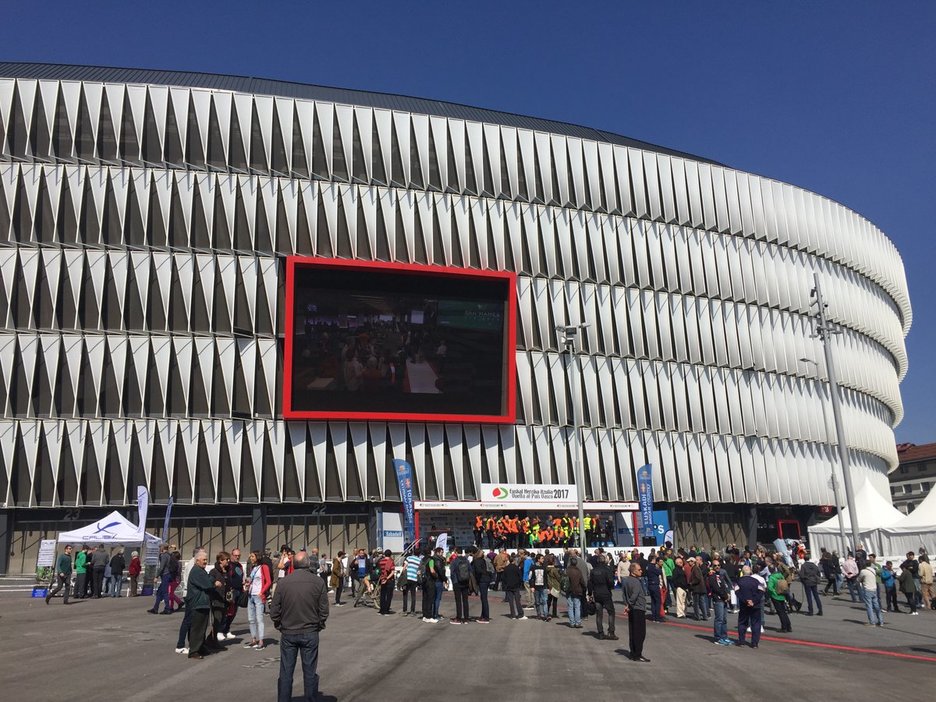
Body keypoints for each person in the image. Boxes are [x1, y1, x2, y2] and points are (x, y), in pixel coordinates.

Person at [270, 552, 328, 702]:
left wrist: (280, 624)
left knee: (286, 672)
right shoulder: (318, 582)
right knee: (310, 672)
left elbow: (274, 610)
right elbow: (324, 610)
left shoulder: (283, 583)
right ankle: (310, 698)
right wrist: (319, 624)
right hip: (309, 631)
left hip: (289, 631)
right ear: (308, 564)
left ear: (293, 564)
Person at [184, 549, 214, 659]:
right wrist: (212, 579)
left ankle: (200, 647)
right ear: (197, 561)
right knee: (197, 628)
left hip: (202, 603)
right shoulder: (197, 571)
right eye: (203, 560)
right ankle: (194, 650)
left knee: (202, 627)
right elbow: (208, 584)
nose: (205, 562)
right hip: (198, 603)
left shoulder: (201, 571)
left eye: (206, 560)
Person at [244, 550, 272, 650]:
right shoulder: (253, 568)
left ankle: (261, 641)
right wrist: (248, 584)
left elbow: (268, 581)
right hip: (251, 595)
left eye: (252, 556)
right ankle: (253, 639)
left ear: (257, 557)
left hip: (258, 595)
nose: (250, 558)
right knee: (251, 619)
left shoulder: (264, 567)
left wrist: (262, 592)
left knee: (259, 619)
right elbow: (253, 580)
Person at [623, 562, 649, 662]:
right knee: (640, 633)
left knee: (633, 631)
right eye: (639, 570)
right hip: (638, 608)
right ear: (633, 571)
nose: (641, 571)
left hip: (632, 609)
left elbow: (624, 594)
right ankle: (637, 654)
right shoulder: (636, 582)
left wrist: (627, 604)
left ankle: (633, 653)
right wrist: (629, 604)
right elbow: (635, 595)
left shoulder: (626, 581)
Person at [588, 554, 617, 641]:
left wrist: (590, 594)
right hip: (606, 593)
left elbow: (590, 583)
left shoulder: (593, 571)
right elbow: (611, 582)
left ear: (597, 561)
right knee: (611, 612)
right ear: (604, 561)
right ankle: (611, 632)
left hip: (597, 593)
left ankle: (600, 633)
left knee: (599, 614)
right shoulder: (607, 570)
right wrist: (611, 587)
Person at [735, 565, 766, 648]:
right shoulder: (756, 581)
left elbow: (737, 593)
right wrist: (754, 601)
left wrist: (746, 600)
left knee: (742, 622)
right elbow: (762, 591)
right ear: (750, 572)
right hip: (755, 605)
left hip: (744, 605)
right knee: (756, 623)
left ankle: (741, 641)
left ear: (742, 572)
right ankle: (755, 643)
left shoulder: (739, 581)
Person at [706, 560, 732, 645]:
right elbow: (716, 588)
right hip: (718, 599)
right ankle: (717, 638)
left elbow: (723, 586)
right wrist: (725, 596)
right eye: (715, 565)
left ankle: (724, 637)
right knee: (719, 619)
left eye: (719, 565)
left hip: (723, 599)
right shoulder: (712, 576)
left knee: (724, 620)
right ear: (712, 566)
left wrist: (728, 594)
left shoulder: (719, 575)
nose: (717, 567)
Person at [209, 552, 233, 642]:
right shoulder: (214, 572)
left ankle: (213, 640)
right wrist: (214, 584)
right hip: (217, 599)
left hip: (225, 599)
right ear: (220, 560)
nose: (228, 561)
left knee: (223, 619)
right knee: (217, 620)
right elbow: (209, 583)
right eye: (226, 559)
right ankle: (212, 640)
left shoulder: (227, 571)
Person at [221, 548, 244, 636]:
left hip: (239, 590)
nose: (237, 557)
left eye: (238, 555)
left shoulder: (240, 565)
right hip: (231, 591)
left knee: (234, 612)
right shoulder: (228, 565)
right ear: (231, 555)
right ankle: (222, 630)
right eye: (235, 555)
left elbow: (241, 576)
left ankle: (226, 629)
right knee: (228, 612)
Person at [449, 547, 472, 624]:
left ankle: (459, 617)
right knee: (465, 600)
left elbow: (452, 572)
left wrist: (453, 581)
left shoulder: (454, 561)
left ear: (456, 552)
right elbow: (470, 570)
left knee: (458, 600)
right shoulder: (466, 560)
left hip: (457, 582)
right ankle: (466, 618)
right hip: (465, 582)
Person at [149, 544, 174, 614]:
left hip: (165, 575)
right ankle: (155, 608)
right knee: (159, 592)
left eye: (160, 547)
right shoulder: (169, 555)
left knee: (165, 592)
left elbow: (161, 567)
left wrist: (156, 576)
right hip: (168, 574)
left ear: (162, 548)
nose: (159, 548)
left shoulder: (164, 556)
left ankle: (167, 608)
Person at [858, 560, 884, 626]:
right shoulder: (873, 570)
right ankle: (881, 621)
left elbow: (859, 579)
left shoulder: (863, 571)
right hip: (874, 589)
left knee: (869, 606)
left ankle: (872, 622)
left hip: (867, 589)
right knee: (876, 605)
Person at [766, 566, 792, 633]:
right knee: (784, 611)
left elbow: (770, 588)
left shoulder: (772, 577)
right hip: (782, 595)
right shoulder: (781, 576)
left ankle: (784, 627)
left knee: (780, 613)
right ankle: (789, 626)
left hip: (776, 596)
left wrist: (774, 593)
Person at [500, 553, 525, 619]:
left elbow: (503, 578)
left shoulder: (506, 568)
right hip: (516, 586)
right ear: (514, 561)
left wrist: (505, 585)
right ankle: (520, 614)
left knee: (511, 601)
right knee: (517, 601)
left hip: (508, 586)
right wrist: (520, 583)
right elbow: (520, 577)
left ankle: (512, 614)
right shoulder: (516, 568)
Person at [470, 548, 492, 623]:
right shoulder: (483, 560)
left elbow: (478, 571)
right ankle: (483, 615)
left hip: (482, 580)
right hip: (486, 579)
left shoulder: (476, 561)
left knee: (484, 599)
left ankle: (486, 617)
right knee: (483, 598)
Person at [400, 550, 420, 616]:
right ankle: (412, 611)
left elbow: (404, 568)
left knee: (405, 594)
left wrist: (402, 575)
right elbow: (419, 572)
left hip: (407, 578)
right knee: (413, 595)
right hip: (414, 579)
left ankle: (405, 611)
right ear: (419, 554)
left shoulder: (409, 558)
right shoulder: (419, 560)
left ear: (413, 553)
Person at [377, 549, 395, 615]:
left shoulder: (381, 561)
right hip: (389, 580)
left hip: (382, 579)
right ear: (390, 554)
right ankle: (386, 610)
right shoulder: (391, 561)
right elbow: (392, 572)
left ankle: (381, 610)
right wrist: (387, 578)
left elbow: (379, 570)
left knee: (383, 595)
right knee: (389, 595)